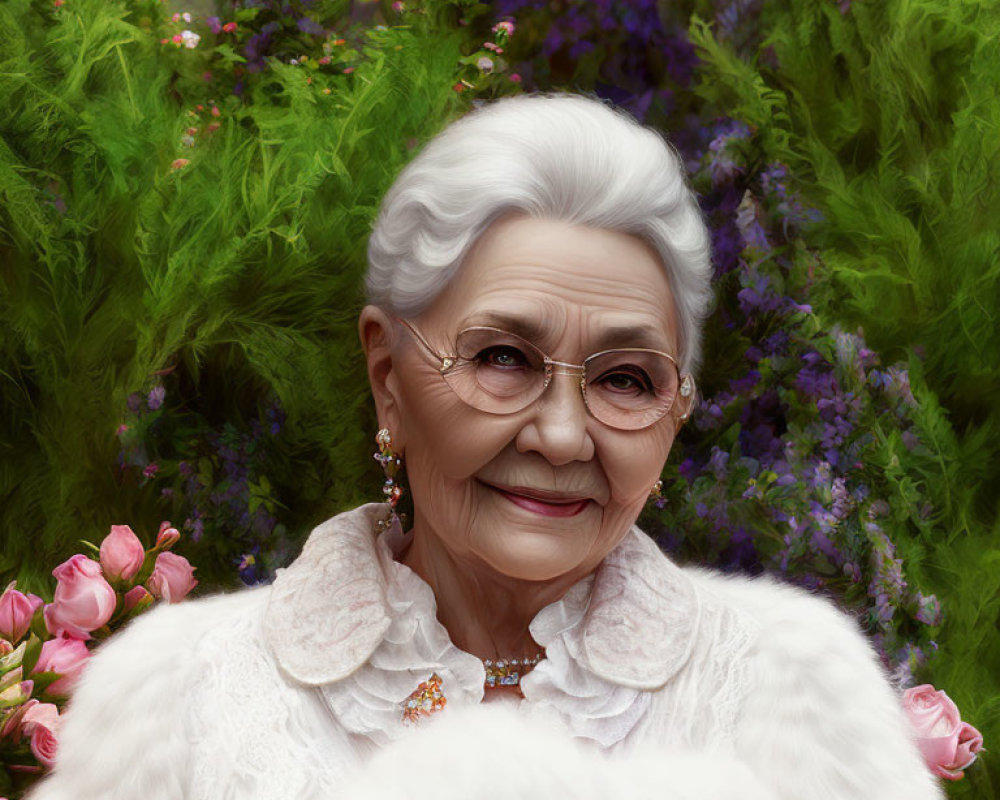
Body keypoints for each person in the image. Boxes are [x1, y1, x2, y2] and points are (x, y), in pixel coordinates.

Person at [27, 92, 942, 800]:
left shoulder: (792, 687)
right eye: (503, 358)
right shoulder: (182, 698)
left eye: (628, 379)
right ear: (389, 378)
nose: (560, 434)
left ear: (675, 413)